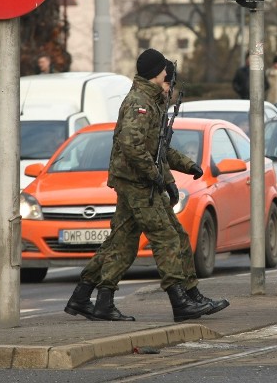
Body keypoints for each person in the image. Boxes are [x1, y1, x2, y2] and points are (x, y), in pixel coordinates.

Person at [64, 50, 227, 322]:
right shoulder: (140, 103)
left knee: (122, 243)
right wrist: (157, 176)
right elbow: (132, 146)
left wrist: (184, 168)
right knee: (167, 237)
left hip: (140, 181)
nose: (168, 78)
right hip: (137, 183)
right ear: (156, 72)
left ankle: (88, 297)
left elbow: (158, 149)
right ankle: (181, 300)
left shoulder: (151, 102)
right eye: (165, 73)